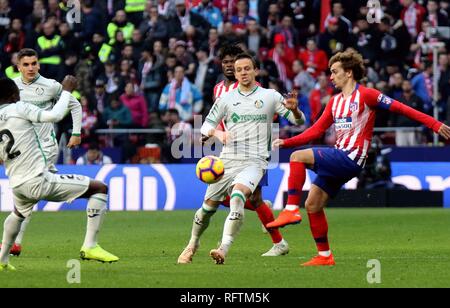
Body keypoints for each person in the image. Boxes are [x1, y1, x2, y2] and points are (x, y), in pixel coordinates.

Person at [267, 50, 450, 266]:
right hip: (339, 159)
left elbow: (402, 108)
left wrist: (434, 124)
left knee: (297, 157)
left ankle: (289, 210)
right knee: (313, 204)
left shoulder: (367, 95)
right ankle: (324, 256)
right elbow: (315, 131)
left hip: (350, 157)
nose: (331, 77)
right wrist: (286, 142)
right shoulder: (334, 102)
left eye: (335, 72)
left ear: (349, 72)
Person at [177, 52, 305, 265]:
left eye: (247, 68)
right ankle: (192, 244)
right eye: (239, 70)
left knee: (238, 197)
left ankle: (223, 249)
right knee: (207, 209)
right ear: (234, 74)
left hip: (255, 160)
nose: (243, 73)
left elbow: (298, 121)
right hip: (226, 161)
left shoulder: (270, 96)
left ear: (255, 70)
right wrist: (220, 134)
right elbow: (207, 126)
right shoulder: (226, 98)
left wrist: (296, 111)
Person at [0, 76, 119, 271]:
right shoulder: (19, 108)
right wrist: (66, 91)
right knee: (99, 188)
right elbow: (54, 115)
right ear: (14, 95)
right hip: (37, 180)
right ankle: (90, 246)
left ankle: (2, 261)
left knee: (18, 213)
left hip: (16, 183)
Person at [0, 48, 82, 257]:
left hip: (45, 147)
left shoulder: (51, 86)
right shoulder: (11, 88)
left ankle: (12, 244)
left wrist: (76, 132)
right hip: (23, 148)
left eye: (34, 63)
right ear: (18, 66)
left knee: (26, 193)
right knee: (30, 193)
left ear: (39, 64)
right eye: (25, 64)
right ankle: (82, 193)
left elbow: (74, 104)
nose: (30, 68)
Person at [212, 44, 291, 257]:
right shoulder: (219, 89)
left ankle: (276, 242)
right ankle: (277, 239)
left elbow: (268, 113)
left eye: (234, 63)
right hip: (229, 150)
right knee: (228, 198)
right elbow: (218, 118)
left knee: (247, 197)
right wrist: (220, 135)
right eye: (226, 62)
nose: (230, 66)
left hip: (254, 151)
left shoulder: (255, 90)